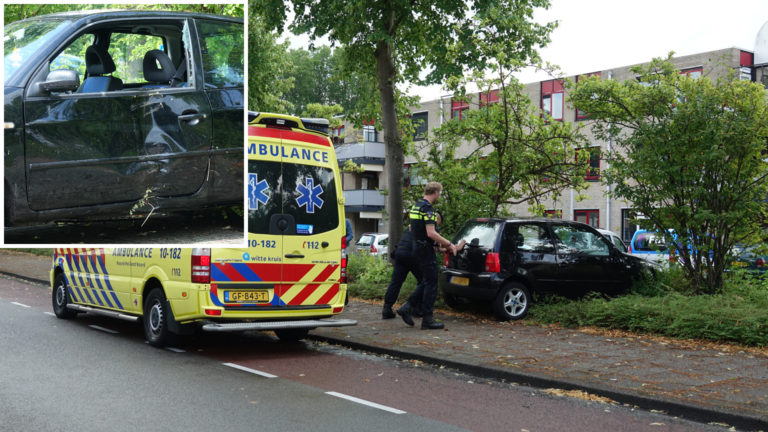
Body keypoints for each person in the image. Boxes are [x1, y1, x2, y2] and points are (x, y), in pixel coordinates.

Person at [396, 182, 457, 330]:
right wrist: (449, 244)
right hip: (424, 249)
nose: (439, 195)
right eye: (439, 193)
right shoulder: (428, 209)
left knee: (426, 280)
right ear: (435, 192)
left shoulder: (415, 206)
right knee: (431, 283)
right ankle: (427, 319)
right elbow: (431, 233)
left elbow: (414, 228)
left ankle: (407, 307)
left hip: (416, 248)